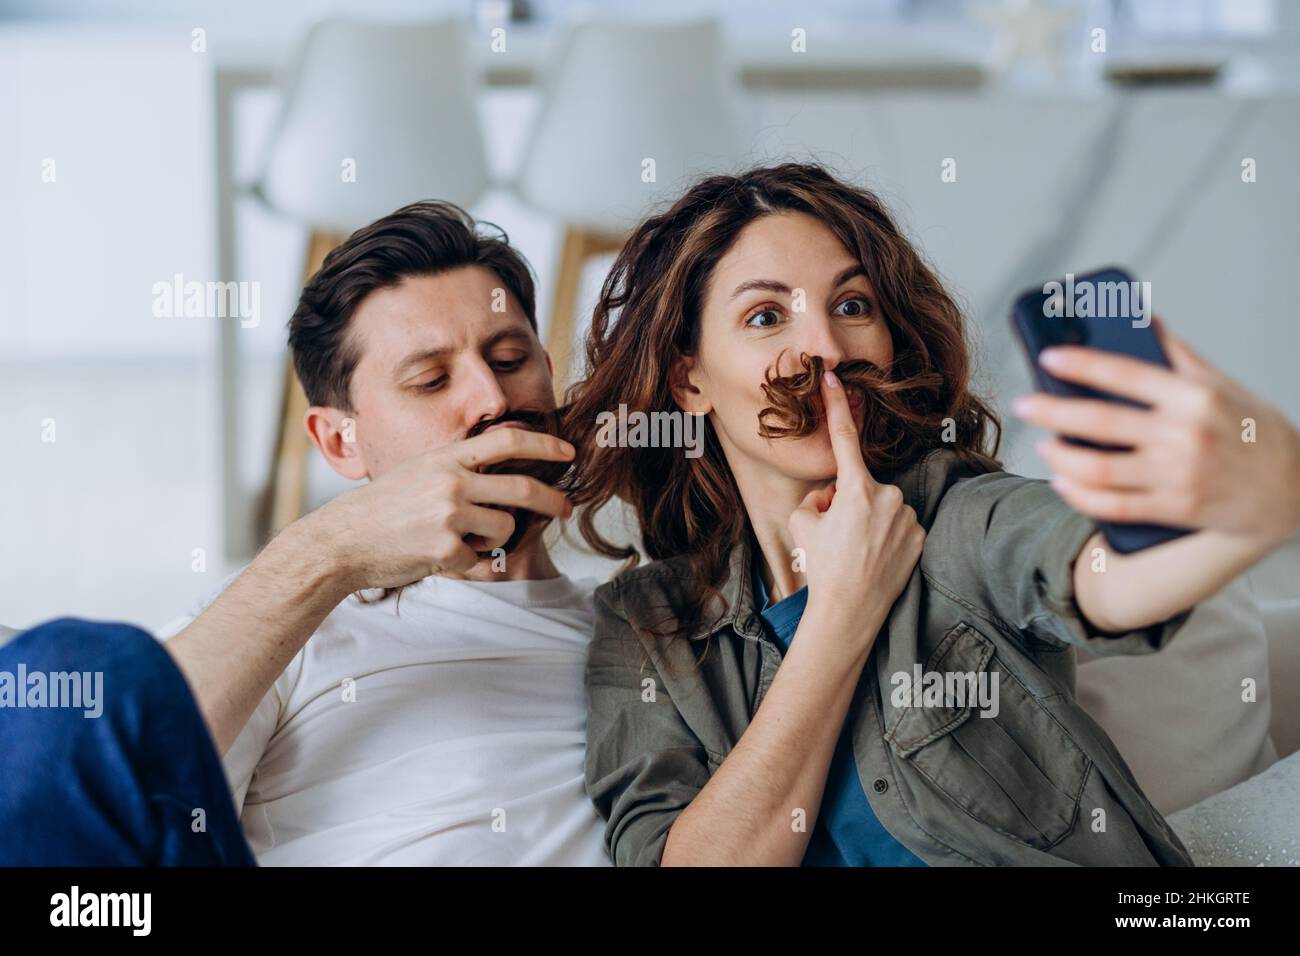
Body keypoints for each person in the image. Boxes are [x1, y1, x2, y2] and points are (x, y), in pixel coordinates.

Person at [565, 162, 1300, 866]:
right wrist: (838, 615)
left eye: (852, 306)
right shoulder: (646, 628)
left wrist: (1250, 512)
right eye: (765, 316)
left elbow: (1102, 574)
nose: (824, 348)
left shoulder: (958, 519)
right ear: (689, 381)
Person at [0, 201, 611, 866]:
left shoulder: (641, 640)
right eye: (431, 379)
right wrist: (333, 551)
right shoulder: (290, 625)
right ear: (339, 442)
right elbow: (74, 785)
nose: (492, 398)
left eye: (511, 357)